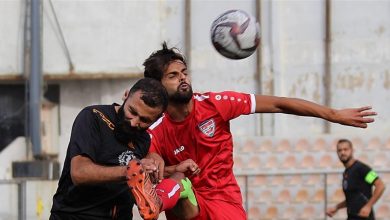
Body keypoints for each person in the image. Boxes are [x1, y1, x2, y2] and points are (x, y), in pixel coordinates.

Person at [143, 42, 377, 220]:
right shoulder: (154, 127)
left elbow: (278, 103)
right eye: (173, 76)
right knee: (178, 184)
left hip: (224, 201)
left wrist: (333, 114)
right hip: (186, 208)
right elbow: (152, 158)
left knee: (179, 184)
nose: (183, 78)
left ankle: (171, 193)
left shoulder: (217, 104)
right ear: (157, 86)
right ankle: (166, 196)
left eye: (184, 72)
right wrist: (160, 166)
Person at [50, 78, 196, 220]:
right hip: (74, 215)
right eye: (132, 111)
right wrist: (130, 172)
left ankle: (158, 203)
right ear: (126, 96)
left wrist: (174, 169)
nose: (134, 122)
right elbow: (79, 173)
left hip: (121, 216)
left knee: (180, 178)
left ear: (156, 120)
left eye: (144, 120)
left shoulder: (144, 139)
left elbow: (140, 173)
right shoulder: (93, 117)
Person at [326, 139, 385, 220]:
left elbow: (380, 185)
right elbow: (352, 198)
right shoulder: (346, 172)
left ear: (352, 150)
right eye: (339, 150)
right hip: (351, 216)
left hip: (363, 217)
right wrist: (336, 207)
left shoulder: (362, 169)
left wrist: (368, 206)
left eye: (345, 149)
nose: (342, 152)